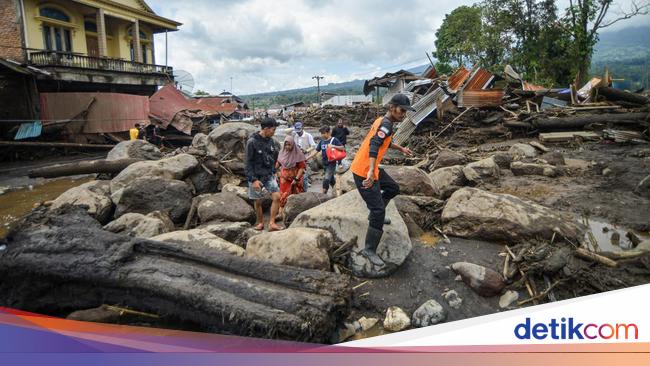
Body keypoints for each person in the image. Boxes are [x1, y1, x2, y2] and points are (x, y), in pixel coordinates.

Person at [350, 94, 415, 266]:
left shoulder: (384, 121)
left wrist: (401, 148)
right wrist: (371, 170)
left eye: (406, 111)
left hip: (369, 168)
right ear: (392, 107)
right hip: (364, 171)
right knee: (379, 210)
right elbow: (374, 145)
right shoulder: (386, 123)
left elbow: (383, 141)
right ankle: (369, 250)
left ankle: (375, 215)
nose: (404, 114)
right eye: (402, 110)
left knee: (393, 188)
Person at [245, 117, 283, 231]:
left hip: (268, 175)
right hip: (256, 176)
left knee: (277, 197)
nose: (274, 132)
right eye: (273, 129)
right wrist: (253, 180)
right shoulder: (252, 142)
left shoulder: (271, 141)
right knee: (258, 201)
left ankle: (271, 223)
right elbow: (248, 163)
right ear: (266, 129)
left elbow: (273, 158)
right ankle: (260, 222)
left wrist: (276, 171)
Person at [275, 135, 306, 218]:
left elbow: (302, 168)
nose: (287, 147)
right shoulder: (282, 153)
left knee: (296, 195)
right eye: (286, 145)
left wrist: (296, 179)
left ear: (293, 144)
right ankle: (280, 214)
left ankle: (297, 214)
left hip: (295, 179)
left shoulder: (298, 153)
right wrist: (274, 171)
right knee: (283, 195)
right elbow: (278, 163)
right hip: (284, 179)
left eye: (289, 145)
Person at [308, 125, 344, 195]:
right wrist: (307, 158)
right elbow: (316, 151)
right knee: (331, 180)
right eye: (321, 133)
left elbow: (342, 148)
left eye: (323, 133)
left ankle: (323, 194)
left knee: (326, 178)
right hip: (324, 164)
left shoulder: (334, 140)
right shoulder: (322, 142)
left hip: (331, 163)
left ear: (328, 133)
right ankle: (337, 192)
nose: (321, 135)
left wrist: (333, 146)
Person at [287, 121, 317, 191]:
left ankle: (305, 189)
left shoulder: (308, 135)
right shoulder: (295, 135)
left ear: (302, 128)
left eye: (299, 131)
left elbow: (313, 146)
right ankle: (300, 188)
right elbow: (286, 132)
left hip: (305, 157)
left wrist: (306, 150)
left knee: (304, 175)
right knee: (298, 174)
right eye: (297, 131)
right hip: (297, 158)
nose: (298, 132)